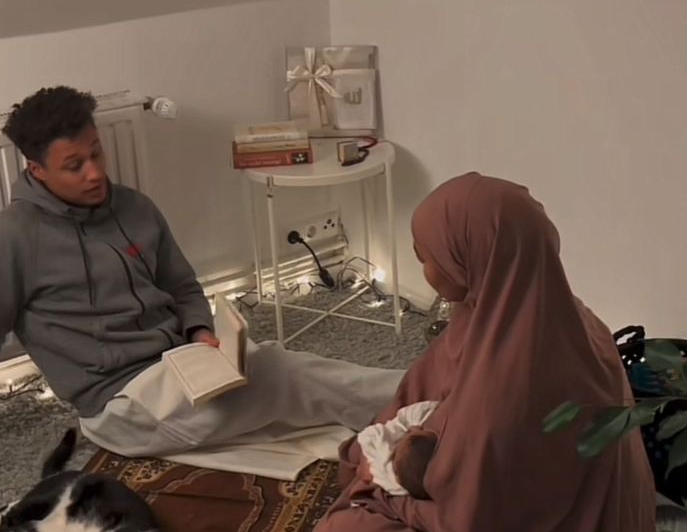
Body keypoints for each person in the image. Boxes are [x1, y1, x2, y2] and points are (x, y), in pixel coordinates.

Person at [273, 173, 657, 532]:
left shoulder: (516, 379)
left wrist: (388, 491)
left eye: (428, 257)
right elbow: (427, 384)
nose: (424, 269)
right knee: (358, 463)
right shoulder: (547, 313)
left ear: (471, 259)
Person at [0, 87, 403, 465]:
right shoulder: (15, 235)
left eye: (96, 154)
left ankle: (412, 408)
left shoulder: (133, 206)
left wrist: (197, 330)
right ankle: (425, 396)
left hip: (185, 366)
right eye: (74, 166)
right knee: (283, 377)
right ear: (36, 171)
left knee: (276, 379)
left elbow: (182, 286)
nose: (94, 173)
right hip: (121, 404)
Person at [356, 401, 438, 497]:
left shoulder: (387, 474)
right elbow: (429, 408)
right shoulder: (411, 482)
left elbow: (369, 435)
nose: (410, 431)